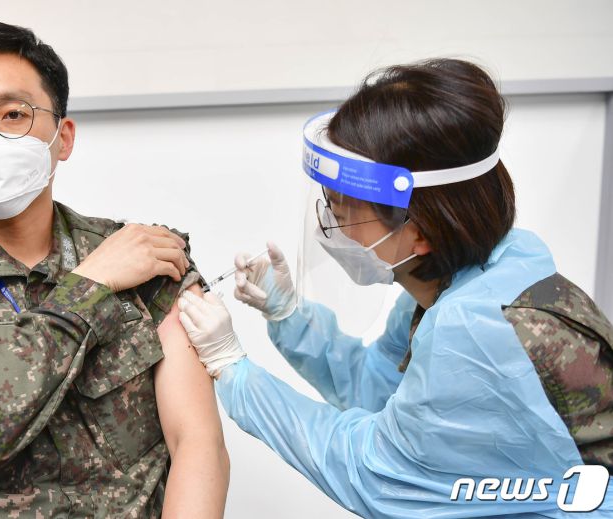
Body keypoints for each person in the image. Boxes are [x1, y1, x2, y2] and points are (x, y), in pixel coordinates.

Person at [178, 59, 613, 518]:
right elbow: (378, 391)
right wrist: (290, 317)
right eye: (328, 205)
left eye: (346, 211)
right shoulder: (464, 278)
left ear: (420, 231)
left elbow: (377, 474)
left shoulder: (478, 331)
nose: (332, 227)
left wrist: (235, 371)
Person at [0, 21, 228, 518]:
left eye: (13, 114)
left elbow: (197, 444)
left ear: (63, 137)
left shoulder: (145, 256)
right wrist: (89, 287)